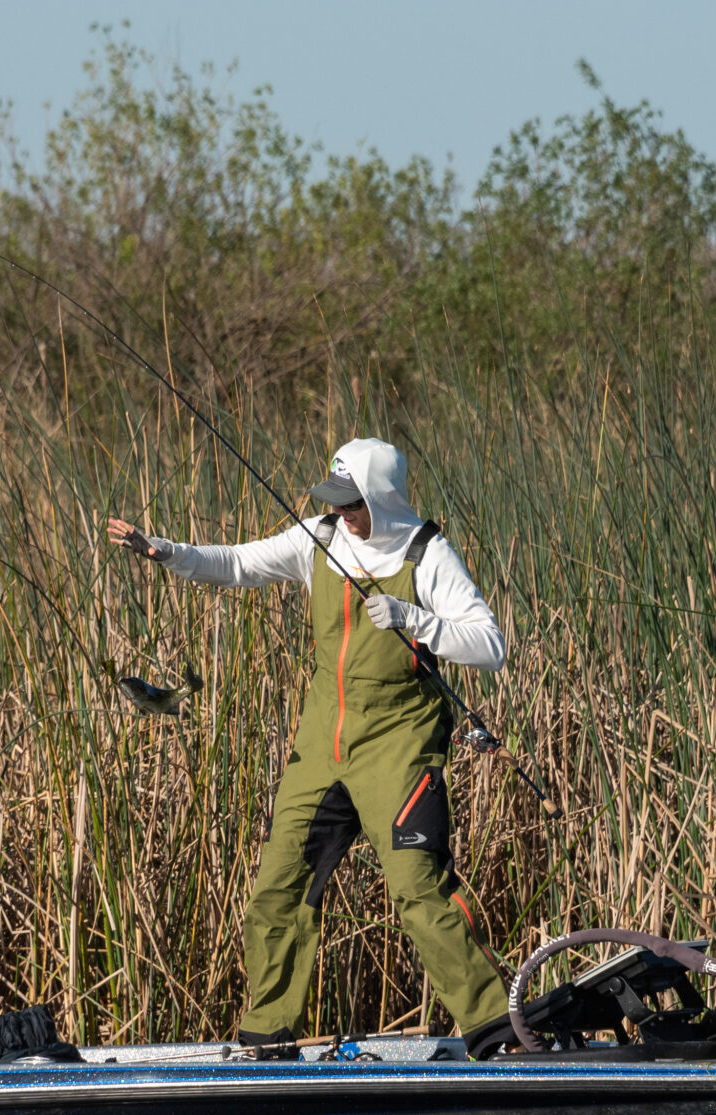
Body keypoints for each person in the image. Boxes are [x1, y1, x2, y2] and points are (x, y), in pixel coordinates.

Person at [107, 437, 516, 1055]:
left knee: (418, 890)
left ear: (381, 497)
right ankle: (268, 1040)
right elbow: (238, 563)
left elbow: (491, 645)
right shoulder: (318, 539)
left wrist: (415, 619)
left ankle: (498, 1030)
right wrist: (165, 552)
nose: (343, 513)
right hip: (322, 747)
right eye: (335, 500)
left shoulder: (428, 554)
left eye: (353, 503)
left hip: (400, 747)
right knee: (279, 888)